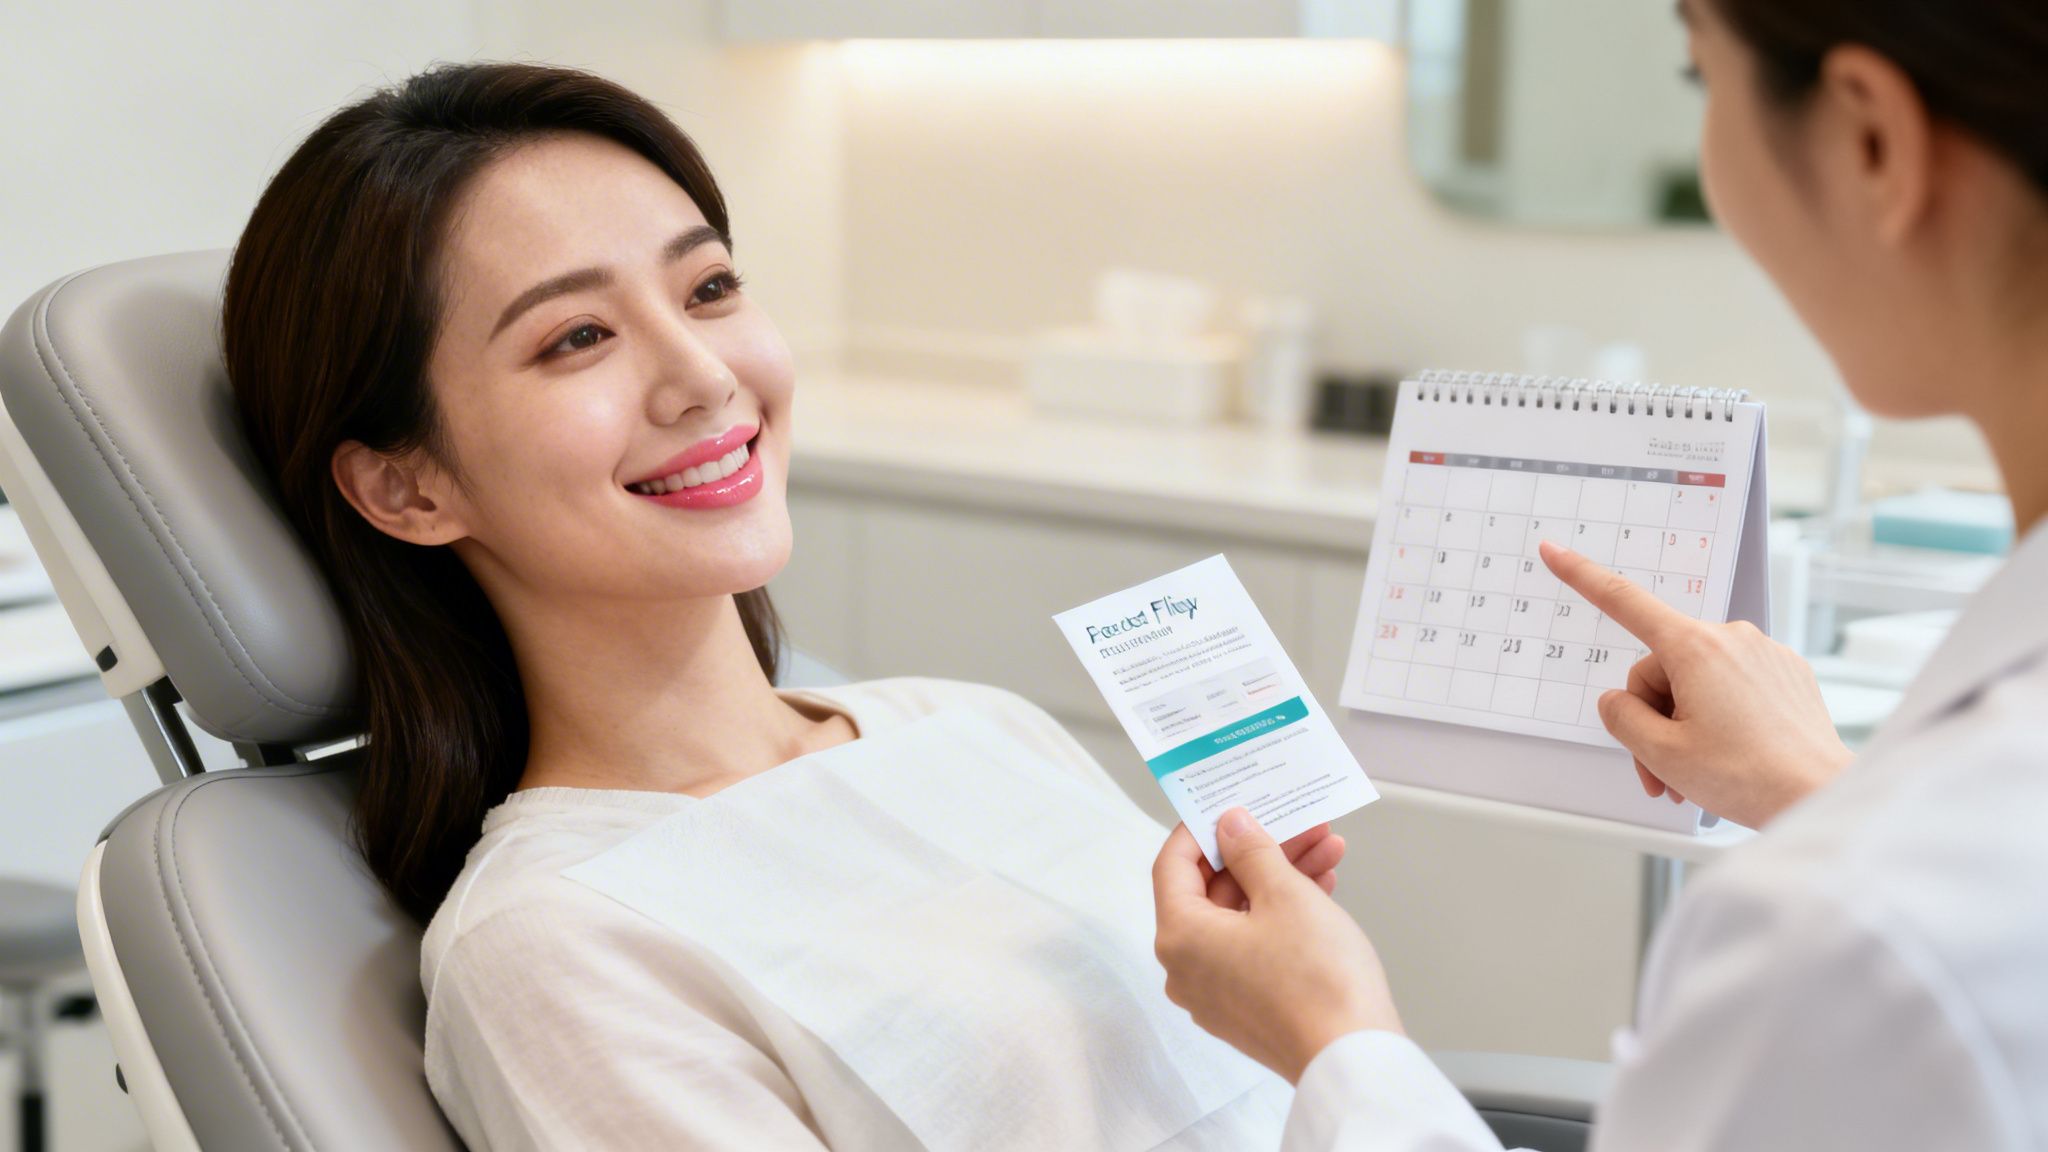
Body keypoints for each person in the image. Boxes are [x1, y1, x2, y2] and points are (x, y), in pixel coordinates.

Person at [223, 62, 1347, 1150]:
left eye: (707, 288)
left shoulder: (975, 724)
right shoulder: (556, 944)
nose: (704, 376)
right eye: (577, 338)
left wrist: (1308, 1032)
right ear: (405, 487)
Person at [1154, 0, 2048, 1147]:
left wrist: (1334, 1042)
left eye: (1697, 79)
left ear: (1870, 138)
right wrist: (1817, 791)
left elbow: (1925, 938)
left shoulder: (1844, 943)